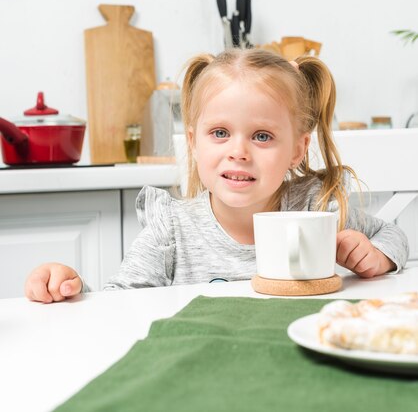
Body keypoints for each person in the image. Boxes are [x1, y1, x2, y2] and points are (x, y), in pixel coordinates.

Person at [25, 49, 409, 303]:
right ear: (193, 142)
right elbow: (118, 302)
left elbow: (392, 234)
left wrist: (378, 256)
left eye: (262, 136)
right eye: (220, 133)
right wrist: (70, 287)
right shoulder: (171, 228)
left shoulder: (316, 207)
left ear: (297, 149)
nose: (238, 152)